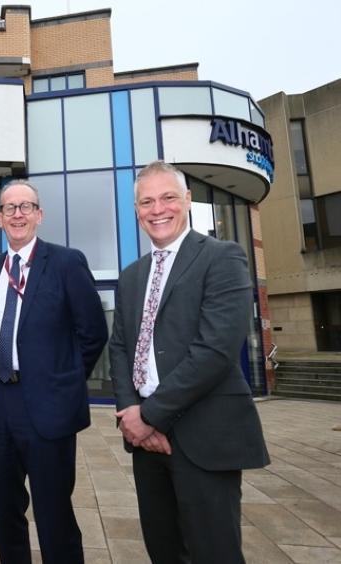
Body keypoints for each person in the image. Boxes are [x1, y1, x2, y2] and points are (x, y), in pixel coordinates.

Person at [110, 160, 270, 564]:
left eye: (167, 198)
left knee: (214, 552)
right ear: (136, 210)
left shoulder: (223, 257)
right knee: (163, 551)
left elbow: (215, 350)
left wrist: (150, 416)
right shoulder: (131, 276)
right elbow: (120, 348)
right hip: (146, 444)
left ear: (188, 200)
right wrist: (131, 412)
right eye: (146, 201)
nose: (157, 209)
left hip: (204, 436)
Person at [0, 179, 108, 563]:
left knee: (54, 513)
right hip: (0, 401)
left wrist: (61, 382)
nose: (18, 214)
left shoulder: (66, 262)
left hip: (49, 408)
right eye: (10, 208)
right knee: (4, 509)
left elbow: (93, 333)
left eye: (26, 206)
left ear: (39, 214)